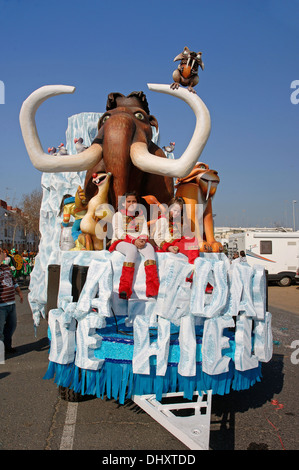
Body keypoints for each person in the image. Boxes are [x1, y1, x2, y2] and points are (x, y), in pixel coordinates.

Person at [109, 191, 160, 299]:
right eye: (129, 201)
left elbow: (145, 231)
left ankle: (153, 288)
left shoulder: (140, 216)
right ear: (123, 203)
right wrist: (133, 241)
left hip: (138, 241)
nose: (132, 203)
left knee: (150, 249)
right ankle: (124, 289)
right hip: (121, 241)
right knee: (131, 250)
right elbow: (119, 233)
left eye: (134, 201)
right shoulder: (118, 215)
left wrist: (142, 239)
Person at [153, 196, 199, 265]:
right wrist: (168, 247)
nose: (176, 213)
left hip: (179, 241)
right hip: (171, 244)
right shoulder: (163, 220)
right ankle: (193, 266)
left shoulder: (178, 221)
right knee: (190, 248)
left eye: (179, 211)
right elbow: (157, 237)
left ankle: (195, 264)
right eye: (174, 210)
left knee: (193, 241)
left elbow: (181, 235)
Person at [0, 247, 23, 353]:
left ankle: (7, 346)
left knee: (11, 326)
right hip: (1, 305)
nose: (4, 255)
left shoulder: (6, 267)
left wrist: (19, 292)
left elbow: (13, 281)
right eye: (2, 253)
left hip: (11, 303)